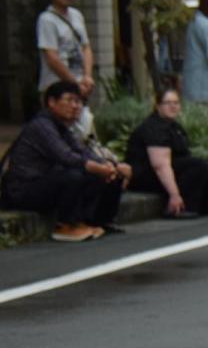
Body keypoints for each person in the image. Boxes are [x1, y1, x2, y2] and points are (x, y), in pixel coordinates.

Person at [0, 81, 122, 242]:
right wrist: (97, 168)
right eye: (70, 100)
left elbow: (82, 152)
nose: (75, 106)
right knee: (74, 176)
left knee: (111, 175)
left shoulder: (62, 128)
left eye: (78, 101)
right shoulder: (41, 126)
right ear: (52, 102)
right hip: (23, 190)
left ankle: (97, 222)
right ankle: (65, 226)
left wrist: (108, 166)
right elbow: (65, 156)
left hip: (47, 183)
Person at [126, 88, 208, 218]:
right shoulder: (153, 128)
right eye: (168, 103)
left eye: (176, 103)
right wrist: (174, 195)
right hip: (146, 176)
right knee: (198, 166)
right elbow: (160, 166)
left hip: (169, 170)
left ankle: (201, 206)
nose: (173, 106)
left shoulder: (175, 127)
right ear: (158, 106)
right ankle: (179, 208)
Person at [37, 0, 95, 99]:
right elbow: (52, 58)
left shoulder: (77, 15)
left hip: (80, 83)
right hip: (57, 87)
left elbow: (86, 47)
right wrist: (74, 84)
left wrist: (87, 76)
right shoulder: (46, 20)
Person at [156, 0, 188, 91]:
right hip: (171, 42)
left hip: (174, 42)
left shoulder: (174, 2)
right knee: (171, 69)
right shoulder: (167, 3)